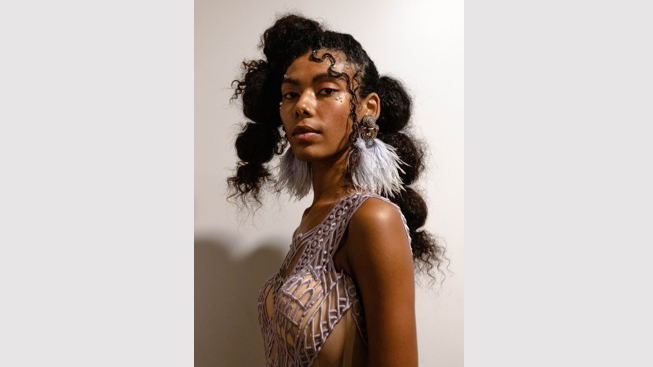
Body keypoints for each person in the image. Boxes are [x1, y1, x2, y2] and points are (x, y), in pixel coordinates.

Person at [227, 13, 446, 367]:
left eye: (327, 90)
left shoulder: (373, 219)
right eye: (290, 94)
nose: (302, 105)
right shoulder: (309, 221)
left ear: (367, 109)